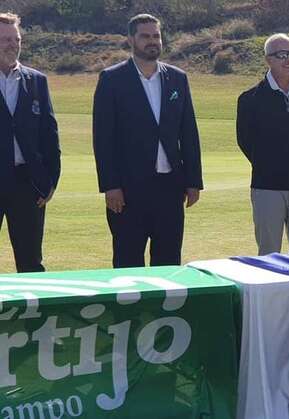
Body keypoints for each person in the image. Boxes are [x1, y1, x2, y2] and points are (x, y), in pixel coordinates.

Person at [92, 13, 203, 268]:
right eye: (145, 36)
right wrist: (110, 185)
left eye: (156, 36)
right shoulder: (111, 79)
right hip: (128, 191)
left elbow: (188, 132)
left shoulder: (177, 78)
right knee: (128, 263)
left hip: (170, 189)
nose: (152, 41)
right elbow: (103, 137)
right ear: (131, 39)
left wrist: (193, 181)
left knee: (168, 263)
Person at [236, 33, 289, 256]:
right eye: (281, 55)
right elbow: (245, 141)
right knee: (268, 255)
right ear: (268, 59)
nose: (288, 60)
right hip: (266, 189)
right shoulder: (249, 99)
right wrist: (270, 164)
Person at [0, 12, 60, 273]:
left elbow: (50, 134)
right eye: (5, 39)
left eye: (16, 39)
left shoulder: (37, 81)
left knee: (31, 263)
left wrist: (50, 181)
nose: (12, 45)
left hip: (28, 185)